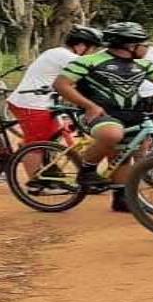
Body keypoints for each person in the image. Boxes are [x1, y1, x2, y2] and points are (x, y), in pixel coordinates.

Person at [53, 22, 153, 212]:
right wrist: (89, 105)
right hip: (101, 114)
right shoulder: (89, 61)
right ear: (129, 45)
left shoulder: (142, 65)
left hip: (132, 114)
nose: (147, 47)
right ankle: (87, 169)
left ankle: (121, 198)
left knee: (125, 155)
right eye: (144, 44)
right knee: (112, 134)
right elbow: (61, 84)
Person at [8, 26, 103, 192]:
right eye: (92, 48)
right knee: (37, 144)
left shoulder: (56, 52)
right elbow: (91, 78)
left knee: (48, 140)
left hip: (40, 102)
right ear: (81, 45)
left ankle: (47, 173)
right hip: (32, 103)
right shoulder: (66, 57)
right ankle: (36, 185)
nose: (92, 52)